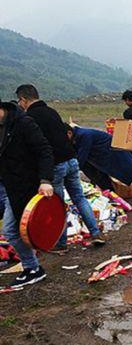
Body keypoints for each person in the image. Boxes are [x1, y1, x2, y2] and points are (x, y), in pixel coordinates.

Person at [16, 84, 106, 252]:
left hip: (55, 165)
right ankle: (96, 234)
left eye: (19, 101)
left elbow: (38, 147)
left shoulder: (30, 118)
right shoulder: (52, 111)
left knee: (57, 205)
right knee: (79, 198)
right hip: (71, 160)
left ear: (23, 100)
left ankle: (60, 244)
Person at [0, 101, 53, 287]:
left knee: (11, 230)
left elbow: (45, 151)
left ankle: (33, 268)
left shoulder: (23, 123)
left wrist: (45, 180)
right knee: (11, 230)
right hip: (6, 184)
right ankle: (31, 267)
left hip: (26, 186)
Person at [66, 124, 132, 201]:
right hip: (101, 156)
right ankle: (112, 195)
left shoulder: (84, 135)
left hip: (114, 151)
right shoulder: (75, 137)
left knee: (130, 168)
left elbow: (82, 155)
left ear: (69, 133)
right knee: (101, 174)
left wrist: (71, 170)